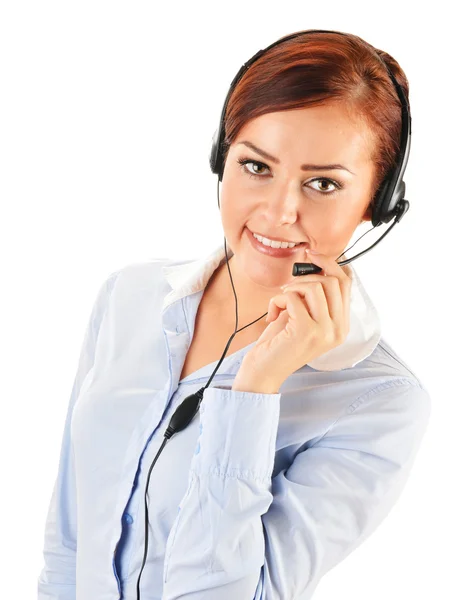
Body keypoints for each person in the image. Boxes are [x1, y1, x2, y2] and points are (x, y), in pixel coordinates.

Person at [37, 30, 431, 600]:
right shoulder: (130, 297)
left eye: (323, 183)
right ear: (222, 158)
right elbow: (69, 545)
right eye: (256, 167)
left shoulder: (381, 402)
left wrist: (256, 389)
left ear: (378, 202)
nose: (279, 212)